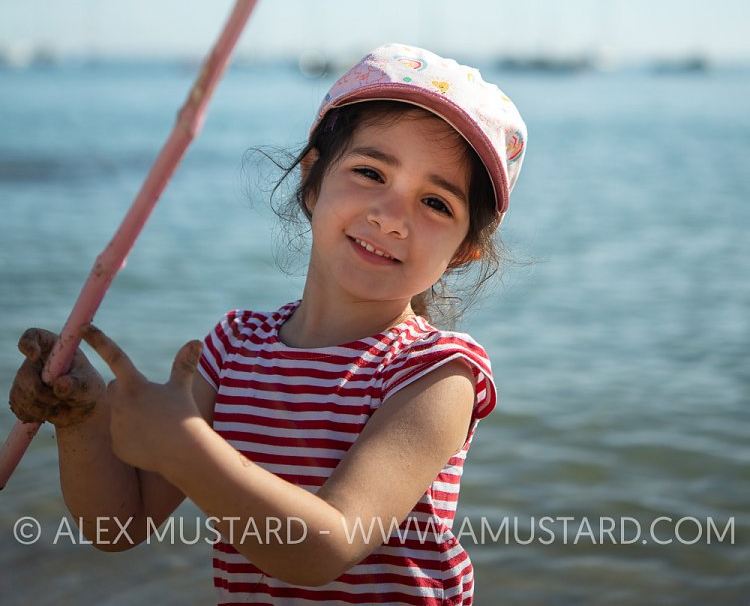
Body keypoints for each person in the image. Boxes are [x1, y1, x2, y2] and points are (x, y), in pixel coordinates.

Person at [11, 43, 526, 604]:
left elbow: (324, 549)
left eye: (435, 203)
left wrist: (183, 447)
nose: (390, 216)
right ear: (313, 178)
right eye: (370, 171)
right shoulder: (234, 347)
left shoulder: (436, 374)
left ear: (463, 251)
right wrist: (80, 419)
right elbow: (116, 527)